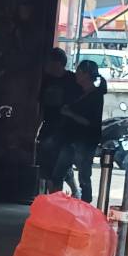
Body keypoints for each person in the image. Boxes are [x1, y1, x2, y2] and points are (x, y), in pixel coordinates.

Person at [54, 57, 105, 203]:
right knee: (59, 172)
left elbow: (91, 122)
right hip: (71, 138)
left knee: (83, 174)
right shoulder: (80, 91)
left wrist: (70, 114)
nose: (76, 74)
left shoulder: (96, 96)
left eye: (79, 71)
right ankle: (58, 203)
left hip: (85, 140)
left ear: (86, 74)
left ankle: (85, 203)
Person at [37, 47, 79, 193]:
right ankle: (52, 196)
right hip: (48, 127)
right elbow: (41, 106)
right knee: (47, 165)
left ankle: (63, 195)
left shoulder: (73, 80)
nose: (46, 65)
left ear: (58, 63)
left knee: (58, 168)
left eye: (49, 62)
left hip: (65, 131)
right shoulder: (46, 81)